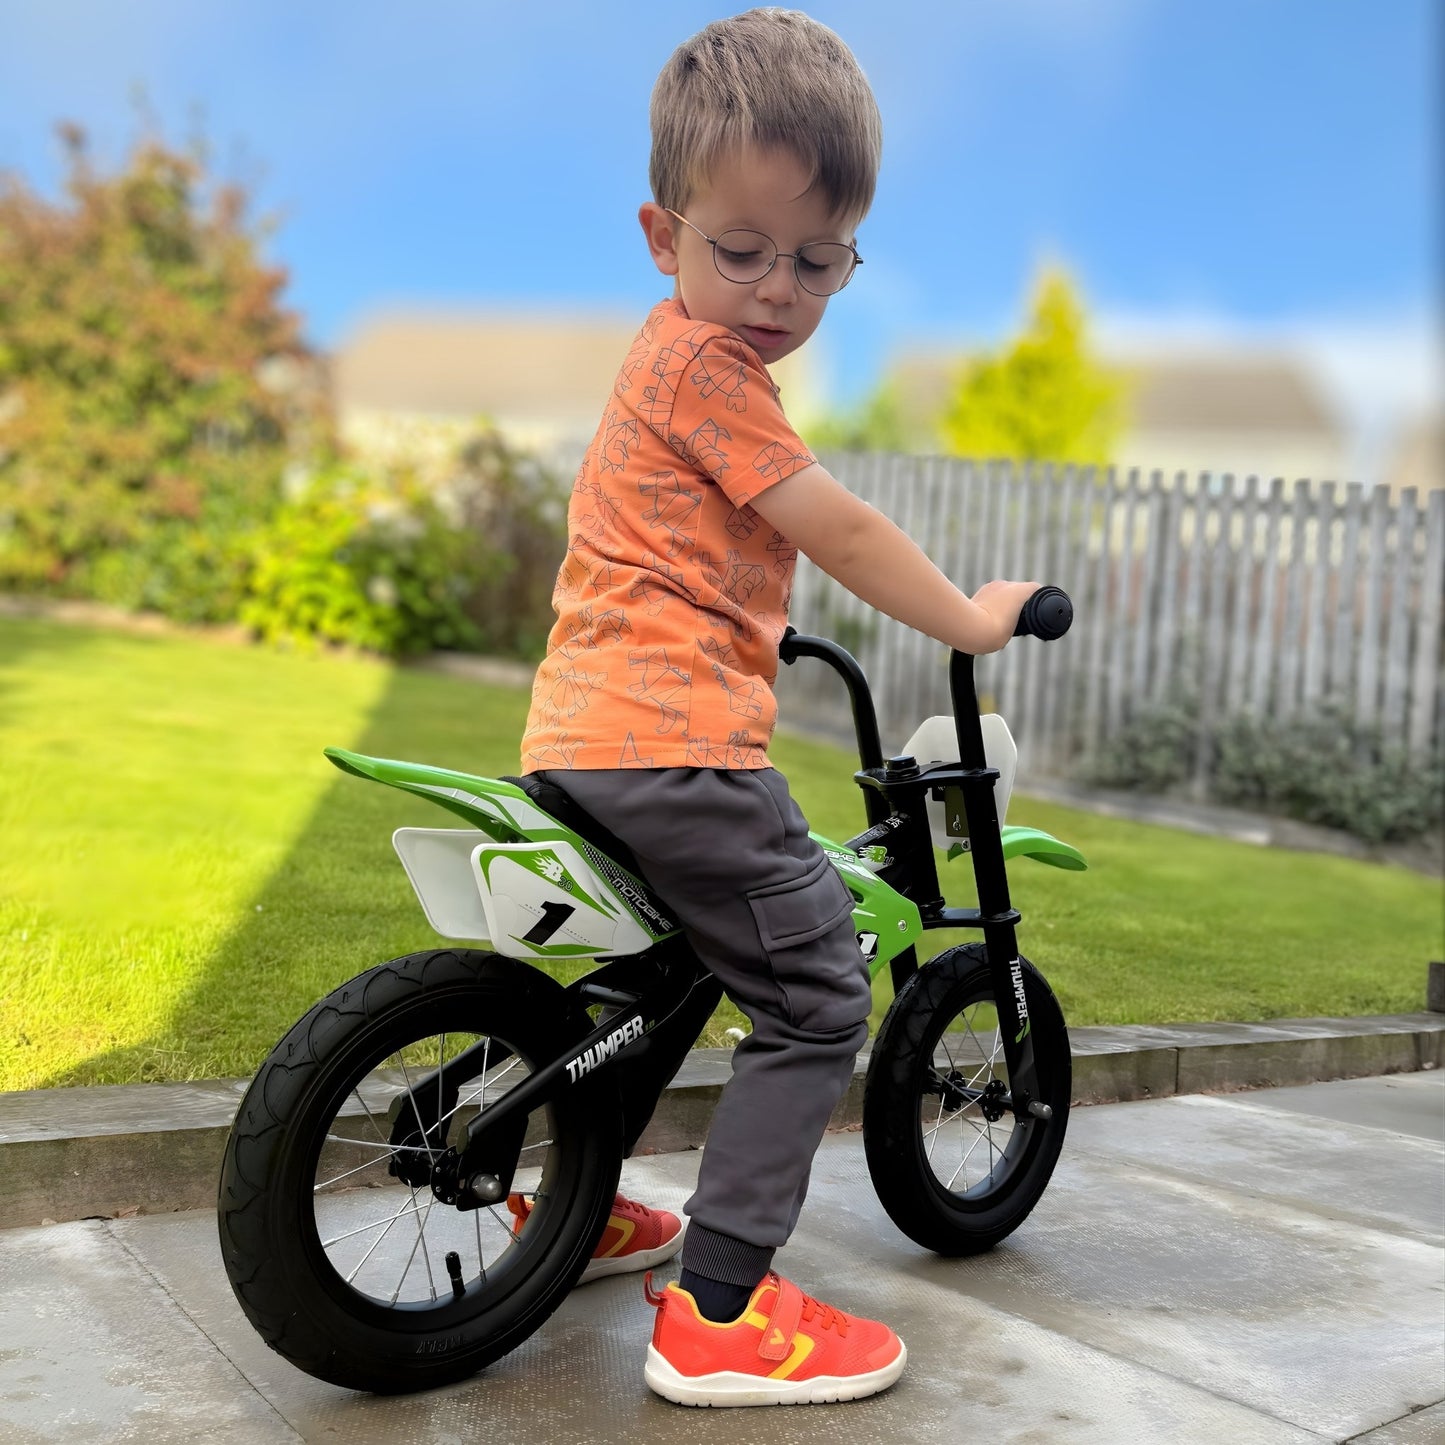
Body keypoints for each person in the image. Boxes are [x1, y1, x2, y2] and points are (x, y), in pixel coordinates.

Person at [516, 8, 1039, 1408]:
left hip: (586, 731)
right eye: (740, 250)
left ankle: (569, 1206)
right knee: (813, 990)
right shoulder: (711, 370)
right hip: (671, 743)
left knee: (666, 974)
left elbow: (666, 541)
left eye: (816, 259)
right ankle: (720, 1309)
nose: (775, 289)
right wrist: (972, 616)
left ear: (851, 250)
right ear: (662, 233)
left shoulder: (657, 356)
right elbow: (840, 528)